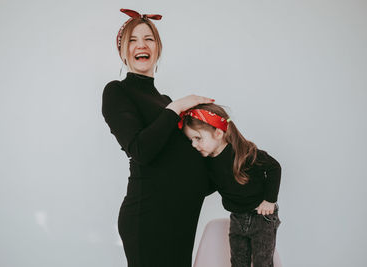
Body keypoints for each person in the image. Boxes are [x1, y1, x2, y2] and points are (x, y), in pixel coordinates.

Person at [102, 9, 215, 267]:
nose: (141, 45)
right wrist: (178, 107)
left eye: (149, 39)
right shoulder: (117, 92)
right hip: (148, 219)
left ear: (158, 48)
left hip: (181, 218)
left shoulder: (163, 101)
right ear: (122, 51)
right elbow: (141, 149)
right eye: (132, 40)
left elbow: (183, 164)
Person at [179, 103, 282, 267]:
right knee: (238, 261)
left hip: (261, 216)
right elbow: (214, 184)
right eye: (191, 140)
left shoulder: (244, 152)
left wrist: (269, 200)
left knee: (262, 262)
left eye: (198, 138)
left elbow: (274, 167)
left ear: (218, 133)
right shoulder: (208, 161)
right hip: (237, 217)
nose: (193, 144)